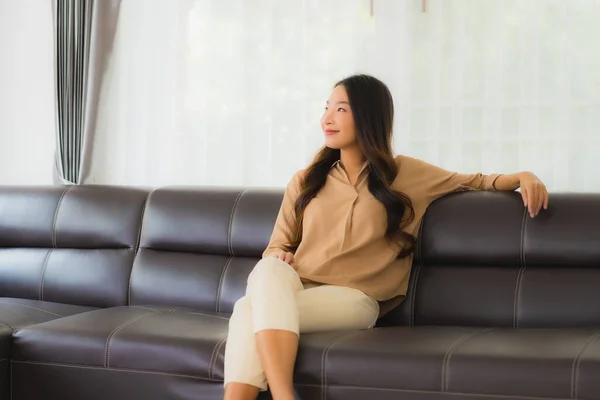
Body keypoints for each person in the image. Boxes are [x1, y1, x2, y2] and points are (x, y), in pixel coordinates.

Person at [222, 74, 549, 400]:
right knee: (267, 271)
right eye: (327, 108)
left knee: (248, 311)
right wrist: (280, 255)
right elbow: (276, 245)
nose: (327, 118)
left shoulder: (405, 173)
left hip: (355, 300)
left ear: (368, 116)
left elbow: (476, 181)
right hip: (298, 288)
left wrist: (525, 176)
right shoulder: (306, 180)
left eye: (341, 110)